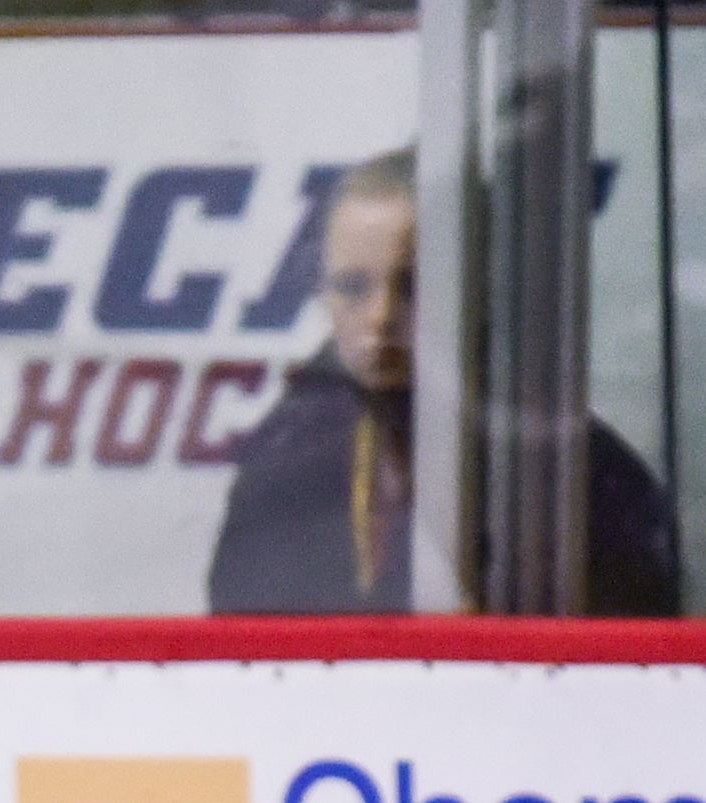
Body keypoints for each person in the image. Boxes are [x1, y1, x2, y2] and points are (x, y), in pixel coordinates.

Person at [207, 147, 680, 616]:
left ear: (484, 285)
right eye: (352, 287)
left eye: (415, 285)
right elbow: (243, 649)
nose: (381, 316)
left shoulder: (578, 477)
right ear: (321, 290)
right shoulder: (285, 458)